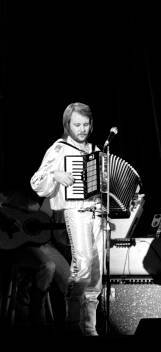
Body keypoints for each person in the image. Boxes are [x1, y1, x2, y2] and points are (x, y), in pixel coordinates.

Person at [30, 102, 104, 335]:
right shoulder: (59, 149)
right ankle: (73, 325)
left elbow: (103, 184)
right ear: (67, 125)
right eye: (77, 124)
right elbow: (36, 181)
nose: (82, 129)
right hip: (75, 211)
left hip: (96, 212)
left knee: (96, 270)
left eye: (86, 124)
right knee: (81, 265)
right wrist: (55, 174)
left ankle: (90, 328)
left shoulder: (95, 149)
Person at [0, 189, 69, 329]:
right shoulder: (16, 193)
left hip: (44, 244)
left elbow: (59, 236)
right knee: (48, 266)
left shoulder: (58, 198)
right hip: (18, 245)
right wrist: (7, 220)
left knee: (70, 281)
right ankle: (36, 311)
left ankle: (70, 326)